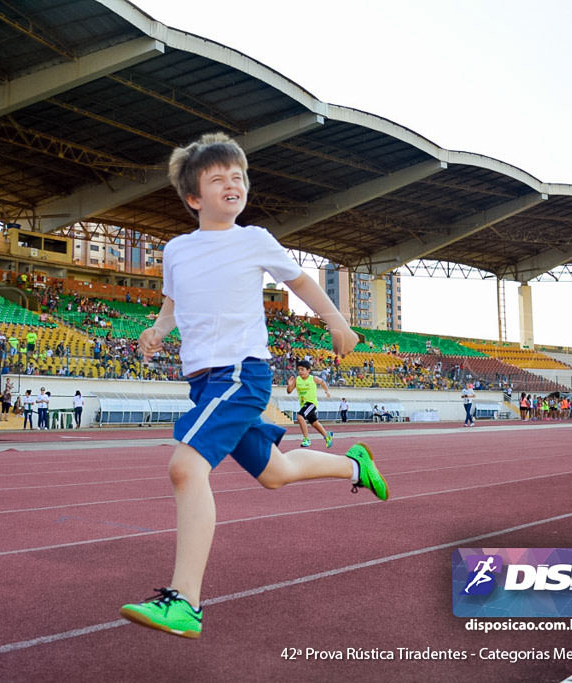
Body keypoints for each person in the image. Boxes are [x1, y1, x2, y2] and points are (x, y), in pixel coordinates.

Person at [118, 133, 388, 640]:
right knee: (276, 474)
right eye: (218, 179)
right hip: (202, 381)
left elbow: (300, 281)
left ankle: (184, 603)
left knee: (185, 467)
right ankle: (356, 464)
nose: (231, 185)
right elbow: (173, 307)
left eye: (238, 177)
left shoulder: (255, 238)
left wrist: (336, 320)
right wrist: (157, 331)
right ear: (194, 197)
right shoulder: (175, 250)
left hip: (240, 372)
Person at [287, 359, 334, 447]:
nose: (300, 372)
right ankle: (327, 436)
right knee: (314, 423)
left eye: (302, 369)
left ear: (308, 370)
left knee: (300, 416)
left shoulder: (313, 378)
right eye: (299, 370)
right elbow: (289, 391)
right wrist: (289, 385)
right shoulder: (297, 380)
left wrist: (327, 391)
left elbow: (322, 382)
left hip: (311, 403)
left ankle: (306, 439)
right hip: (303, 405)